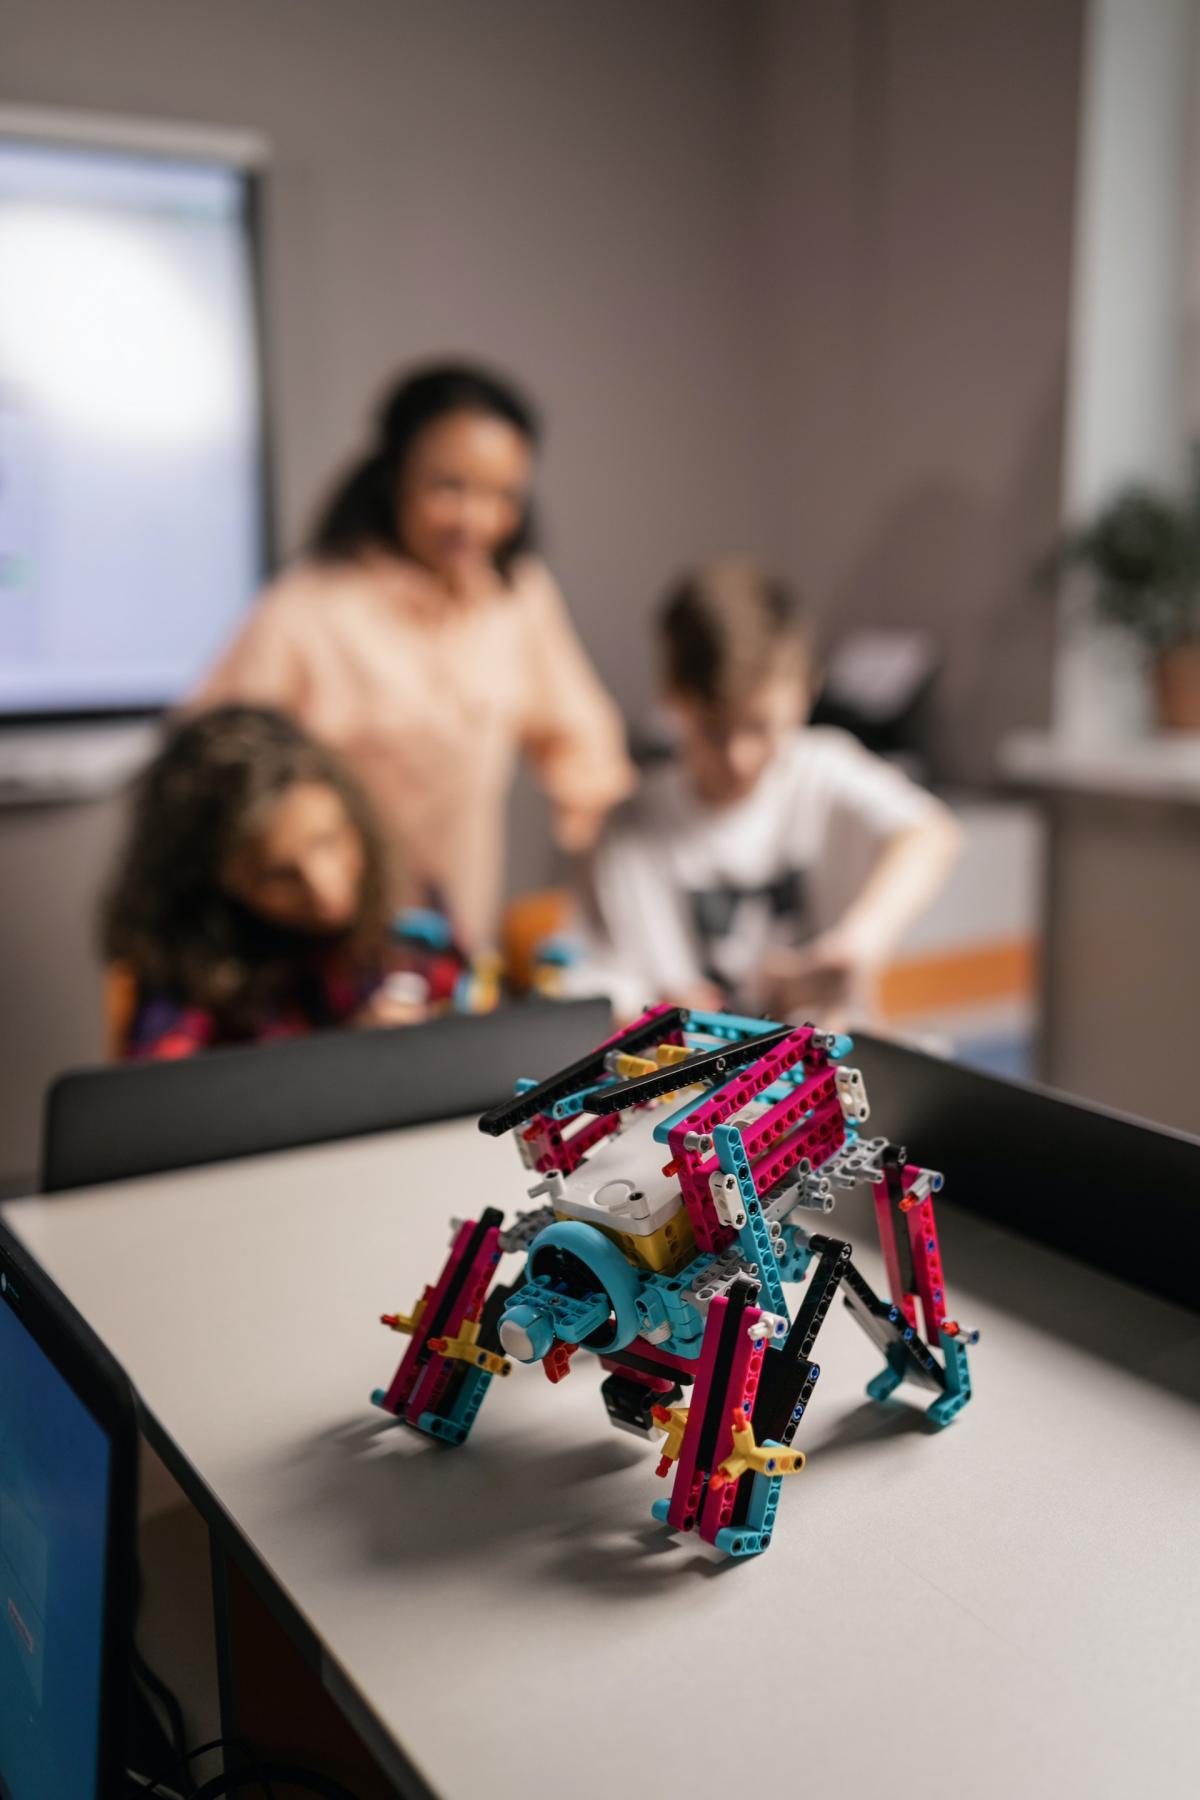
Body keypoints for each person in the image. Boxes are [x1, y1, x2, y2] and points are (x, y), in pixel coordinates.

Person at [193, 363, 634, 949]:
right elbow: (208, 772)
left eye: (503, 496)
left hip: (457, 947)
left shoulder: (516, 598)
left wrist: (622, 864)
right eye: (449, 487)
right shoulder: (306, 609)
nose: (475, 520)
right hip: (322, 953)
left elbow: (585, 748)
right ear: (394, 474)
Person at [569, 560, 961, 1025]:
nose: (739, 757)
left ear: (805, 691)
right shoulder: (627, 830)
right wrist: (655, 1013)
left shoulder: (823, 771)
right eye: (714, 730)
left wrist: (854, 945)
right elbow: (602, 990)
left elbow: (932, 834)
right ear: (671, 697)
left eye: (759, 726)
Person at [102, 705, 421, 1057]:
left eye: (330, 840)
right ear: (215, 880)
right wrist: (343, 1060)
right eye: (279, 875)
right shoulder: (183, 977)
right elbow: (157, 1097)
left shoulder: (412, 914)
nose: (326, 890)